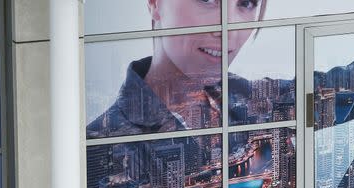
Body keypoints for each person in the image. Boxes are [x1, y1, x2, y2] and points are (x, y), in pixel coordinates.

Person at [87, 0, 266, 138]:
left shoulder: (261, 102)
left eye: (246, 2)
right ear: (155, 2)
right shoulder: (96, 147)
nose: (230, 29)